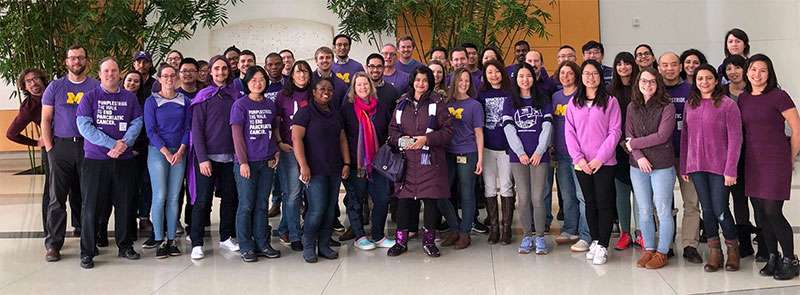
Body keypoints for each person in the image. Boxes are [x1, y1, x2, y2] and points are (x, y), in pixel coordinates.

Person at [76, 57, 144, 268]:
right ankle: (87, 251)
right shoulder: (89, 97)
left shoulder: (129, 98)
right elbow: (84, 127)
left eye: (114, 71)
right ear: (99, 73)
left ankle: (125, 246)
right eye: (106, 71)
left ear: (119, 73)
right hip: (96, 160)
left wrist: (125, 143)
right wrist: (112, 144)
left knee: (125, 204)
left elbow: (137, 122)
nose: (110, 74)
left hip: (124, 161)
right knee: (91, 207)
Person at [739, 54, 800, 280]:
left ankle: (790, 259)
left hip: (775, 161)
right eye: (753, 69)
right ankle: (773, 256)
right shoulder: (744, 98)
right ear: (747, 72)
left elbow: (797, 129)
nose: (757, 74)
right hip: (753, 162)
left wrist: (789, 157)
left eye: (762, 70)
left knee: (773, 211)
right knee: (761, 215)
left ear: (769, 73)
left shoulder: (779, 96)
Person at [680, 64, 742, 272]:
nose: (704, 82)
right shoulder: (691, 104)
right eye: (700, 79)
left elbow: (736, 139)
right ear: (695, 82)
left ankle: (733, 248)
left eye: (708, 78)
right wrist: (684, 166)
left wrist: (731, 169)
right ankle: (715, 251)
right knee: (706, 210)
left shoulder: (727, 105)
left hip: (720, 168)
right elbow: (685, 137)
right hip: (696, 166)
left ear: (716, 81)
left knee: (721, 209)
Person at [387, 66, 453, 257]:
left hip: (430, 161)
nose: (421, 84)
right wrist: (401, 140)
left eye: (425, 80)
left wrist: (426, 140)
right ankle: (401, 241)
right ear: (412, 81)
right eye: (418, 80)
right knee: (404, 202)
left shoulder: (437, 103)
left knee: (431, 202)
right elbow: (392, 131)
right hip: (406, 161)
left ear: (429, 82)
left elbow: (448, 132)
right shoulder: (401, 103)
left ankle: (429, 242)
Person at [41, 45, 97, 262]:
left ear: (86, 61)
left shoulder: (95, 86)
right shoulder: (55, 87)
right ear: (66, 62)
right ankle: (53, 244)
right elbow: (45, 119)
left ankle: (87, 242)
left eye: (80, 58)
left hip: (88, 147)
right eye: (72, 58)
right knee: (57, 199)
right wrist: (50, 148)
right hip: (60, 148)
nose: (76, 62)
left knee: (86, 197)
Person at [565, 60, 622, 265]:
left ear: (600, 76)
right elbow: (569, 133)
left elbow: (615, 132)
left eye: (594, 73)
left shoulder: (610, 101)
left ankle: (604, 245)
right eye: (586, 73)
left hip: (604, 163)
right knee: (590, 203)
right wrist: (579, 159)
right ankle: (596, 241)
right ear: (581, 77)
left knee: (604, 203)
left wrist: (599, 158)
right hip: (582, 164)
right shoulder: (574, 102)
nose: (590, 77)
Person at [188, 55, 240, 260]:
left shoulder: (235, 95)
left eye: (224, 69)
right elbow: (196, 130)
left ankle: (226, 237)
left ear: (229, 71)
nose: (220, 72)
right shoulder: (203, 96)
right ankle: (197, 242)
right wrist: (202, 159)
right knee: (202, 201)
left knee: (230, 198)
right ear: (210, 72)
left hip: (230, 158)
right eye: (216, 69)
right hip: (207, 158)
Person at [292, 78, 350, 263]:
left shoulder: (335, 113)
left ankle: (324, 245)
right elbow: (296, 140)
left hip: (334, 168)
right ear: (314, 92)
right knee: (316, 209)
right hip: (314, 170)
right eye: (322, 89)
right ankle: (309, 244)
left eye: (330, 90)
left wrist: (347, 163)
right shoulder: (304, 113)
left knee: (329, 210)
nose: (326, 92)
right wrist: (303, 165)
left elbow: (342, 139)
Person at [625, 67, 676, 269]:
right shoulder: (632, 106)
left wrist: (635, 145)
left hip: (662, 165)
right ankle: (649, 249)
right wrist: (638, 157)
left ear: (658, 84)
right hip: (637, 166)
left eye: (652, 81)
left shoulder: (667, 106)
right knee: (644, 210)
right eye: (644, 81)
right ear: (638, 83)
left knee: (663, 210)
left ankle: (662, 252)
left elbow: (662, 136)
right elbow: (628, 134)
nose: (648, 85)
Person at [231, 65, 283, 262]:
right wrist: (243, 162)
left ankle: (262, 243)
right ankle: (246, 246)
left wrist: (276, 151)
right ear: (247, 82)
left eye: (261, 79)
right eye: (254, 80)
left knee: (262, 204)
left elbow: (274, 130)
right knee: (246, 205)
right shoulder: (240, 105)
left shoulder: (270, 105)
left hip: (267, 162)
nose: (258, 83)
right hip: (247, 164)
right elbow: (237, 136)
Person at [341, 72, 396, 251]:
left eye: (365, 84)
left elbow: (389, 130)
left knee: (381, 199)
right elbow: (342, 136)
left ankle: (378, 235)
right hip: (357, 163)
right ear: (353, 88)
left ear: (371, 86)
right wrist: (347, 162)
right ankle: (359, 236)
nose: (363, 87)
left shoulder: (380, 107)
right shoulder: (347, 108)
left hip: (379, 163)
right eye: (359, 85)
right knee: (356, 200)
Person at [503, 63, 552, 254]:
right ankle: (527, 236)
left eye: (528, 76)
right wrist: (520, 152)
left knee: (538, 198)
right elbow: (508, 128)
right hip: (519, 157)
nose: (525, 79)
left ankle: (540, 237)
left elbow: (547, 126)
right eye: (521, 76)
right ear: (516, 79)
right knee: (523, 198)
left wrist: (540, 151)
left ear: (534, 77)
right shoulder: (510, 101)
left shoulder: (543, 99)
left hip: (540, 156)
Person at [659, 52, 702, 263]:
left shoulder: (692, 90)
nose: (669, 68)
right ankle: (665, 244)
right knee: (663, 204)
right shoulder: (653, 90)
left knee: (691, 203)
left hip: (688, 155)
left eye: (673, 64)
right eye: (665, 65)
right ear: (659, 67)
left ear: (680, 67)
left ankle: (690, 245)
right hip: (661, 157)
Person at [143, 64, 190, 259]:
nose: (169, 79)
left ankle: (171, 239)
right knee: (160, 195)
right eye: (165, 76)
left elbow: (189, 128)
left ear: (177, 78)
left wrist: (180, 150)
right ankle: (159, 238)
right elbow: (150, 130)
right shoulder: (151, 101)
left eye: (172, 75)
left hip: (179, 152)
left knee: (173, 197)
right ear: (159, 79)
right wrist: (165, 152)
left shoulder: (185, 100)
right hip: (158, 152)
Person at [722, 54, 763, 259]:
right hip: (731, 154)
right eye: (729, 68)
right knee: (739, 200)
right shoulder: (721, 94)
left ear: (745, 69)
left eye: (737, 67)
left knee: (758, 199)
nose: (733, 72)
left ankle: (764, 242)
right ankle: (744, 242)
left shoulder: (754, 91)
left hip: (755, 153)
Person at [439, 68, 484, 249]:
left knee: (467, 193)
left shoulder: (475, 105)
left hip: (468, 152)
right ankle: (455, 227)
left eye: (467, 80)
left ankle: (465, 232)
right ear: (454, 82)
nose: (464, 83)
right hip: (447, 153)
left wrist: (480, 159)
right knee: (441, 193)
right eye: (460, 80)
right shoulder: (445, 103)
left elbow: (479, 133)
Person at [551, 61, 590, 252]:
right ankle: (570, 229)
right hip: (561, 153)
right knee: (566, 195)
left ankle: (585, 234)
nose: (565, 76)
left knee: (582, 195)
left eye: (569, 73)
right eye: (562, 73)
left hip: (580, 155)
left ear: (576, 75)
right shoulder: (556, 97)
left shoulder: (581, 96)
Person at [7, 68, 50, 237]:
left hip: (72, 145)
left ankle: (79, 227)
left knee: (77, 188)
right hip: (51, 150)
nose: (33, 83)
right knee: (51, 191)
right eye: (29, 81)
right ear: (24, 87)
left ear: (42, 79)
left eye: (36, 79)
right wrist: (37, 142)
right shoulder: (29, 107)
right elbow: (11, 133)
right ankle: (50, 233)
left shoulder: (57, 91)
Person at [275, 61, 313, 251]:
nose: (302, 75)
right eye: (298, 71)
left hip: (310, 150)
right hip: (289, 149)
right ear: (292, 75)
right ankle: (295, 234)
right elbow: (275, 122)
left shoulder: (314, 93)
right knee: (292, 194)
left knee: (309, 193)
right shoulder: (283, 95)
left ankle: (285, 228)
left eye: (305, 71)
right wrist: (279, 141)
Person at [478, 60, 514, 245]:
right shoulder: (481, 94)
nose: (494, 75)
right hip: (487, 147)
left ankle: (507, 229)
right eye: (489, 72)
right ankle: (494, 228)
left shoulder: (511, 92)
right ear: (485, 75)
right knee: (489, 186)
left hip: (508, 148)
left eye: (497, 71)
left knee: (507, 185)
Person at [609, 52, 638, 250]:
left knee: (641, 194)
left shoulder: (641, 87)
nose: (623, 67)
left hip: (640, 147)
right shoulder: (610, 91)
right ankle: (625, 232)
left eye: (626, 63)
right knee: (621, 194)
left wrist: (634, 143)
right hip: (618, 149)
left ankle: (642, 233)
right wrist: (620, 142)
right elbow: (609, 120)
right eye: (619, 64)